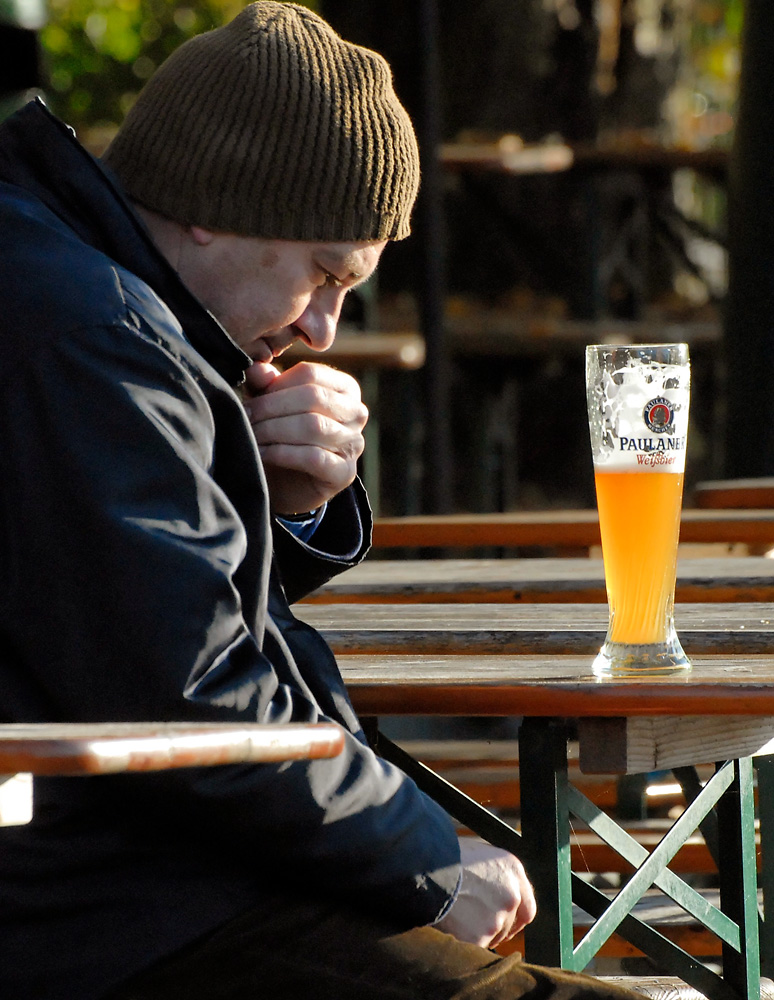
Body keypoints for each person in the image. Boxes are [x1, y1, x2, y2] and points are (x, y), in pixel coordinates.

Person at [0, 4, 640, 998]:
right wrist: (430, 865)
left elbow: (109, 599)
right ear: (218, 199)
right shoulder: (99, 337)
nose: (327, 329)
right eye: (324, 272)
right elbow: (196, 703)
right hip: (118, 915)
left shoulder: (73, 281)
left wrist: (282, 502)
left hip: (127, 877)